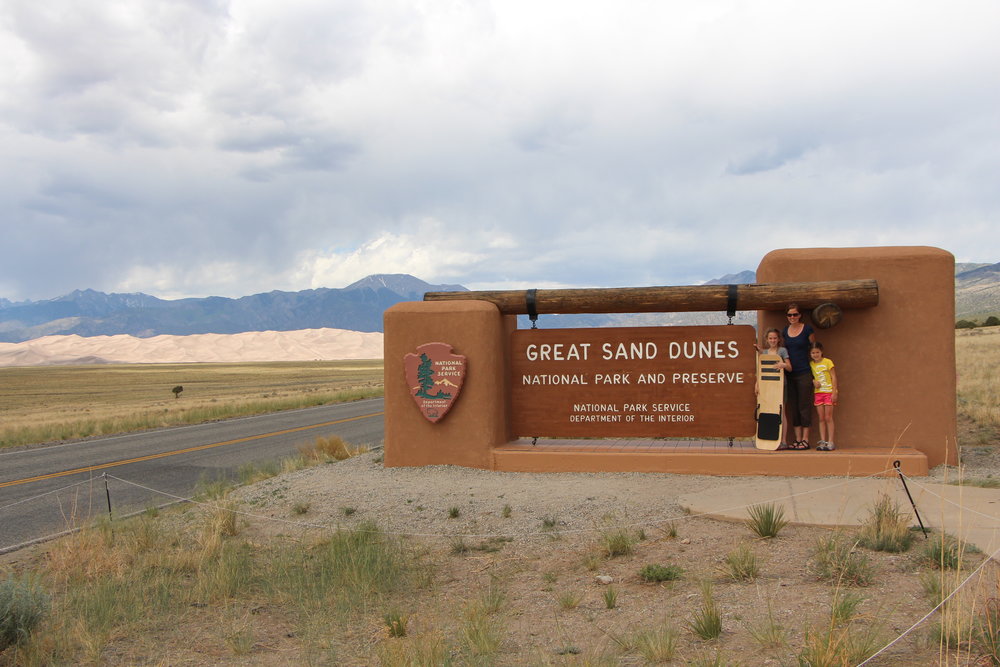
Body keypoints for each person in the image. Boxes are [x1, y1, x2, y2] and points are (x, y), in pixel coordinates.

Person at [782, 303, 815, 449]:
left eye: (795, 314)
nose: (792, 317)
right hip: (790, 374)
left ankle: (806, 440)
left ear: (800, 315)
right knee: (794, 406)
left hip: (804, 372)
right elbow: (782, 351)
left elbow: (814, 349)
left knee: (804, 405)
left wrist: (815, 374)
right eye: (789, 315)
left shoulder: (807, 329)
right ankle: (797, 439)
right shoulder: (785, 331)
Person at [755, 328, 792, 447]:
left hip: (781, 386)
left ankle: (784, 440)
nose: (773, 340)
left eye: (775, 338)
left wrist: (784, 365)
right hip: (767, 387)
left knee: (782, 411)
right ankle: (770, 439)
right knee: (768, 410)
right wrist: (757, 384)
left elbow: (790, 367)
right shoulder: (764, 353)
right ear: (767, 339)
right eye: (770, 338)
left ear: (779, 339)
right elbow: (760, 370)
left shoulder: (782, 351)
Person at [809, 341, 838, 451]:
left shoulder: (828, 362)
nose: (815, 354)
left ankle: (830, 441)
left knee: (828, 417)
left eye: (817, 352)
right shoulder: (811, 364)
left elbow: (834, 377)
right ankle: (823, 441)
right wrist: (813, 381)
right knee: (821, 418)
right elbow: (810, 376)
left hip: (828, 392)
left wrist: (834, 392)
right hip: (818, 393)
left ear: (821, 352)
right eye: (813, 353)